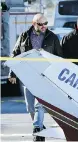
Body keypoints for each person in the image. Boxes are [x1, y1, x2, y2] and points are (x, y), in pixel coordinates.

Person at [8, 13, 63, 141]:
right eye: (40, 24)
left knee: (40, 105)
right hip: (28, 75)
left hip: (45, 75)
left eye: (45, 24)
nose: (44, 26)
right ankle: (39, 127)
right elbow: (15, 53)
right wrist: (12, 73)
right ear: (34, 24)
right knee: (30, 107)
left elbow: (59, 57)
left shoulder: (52, 37)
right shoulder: (24, 36)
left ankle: (37, 130)